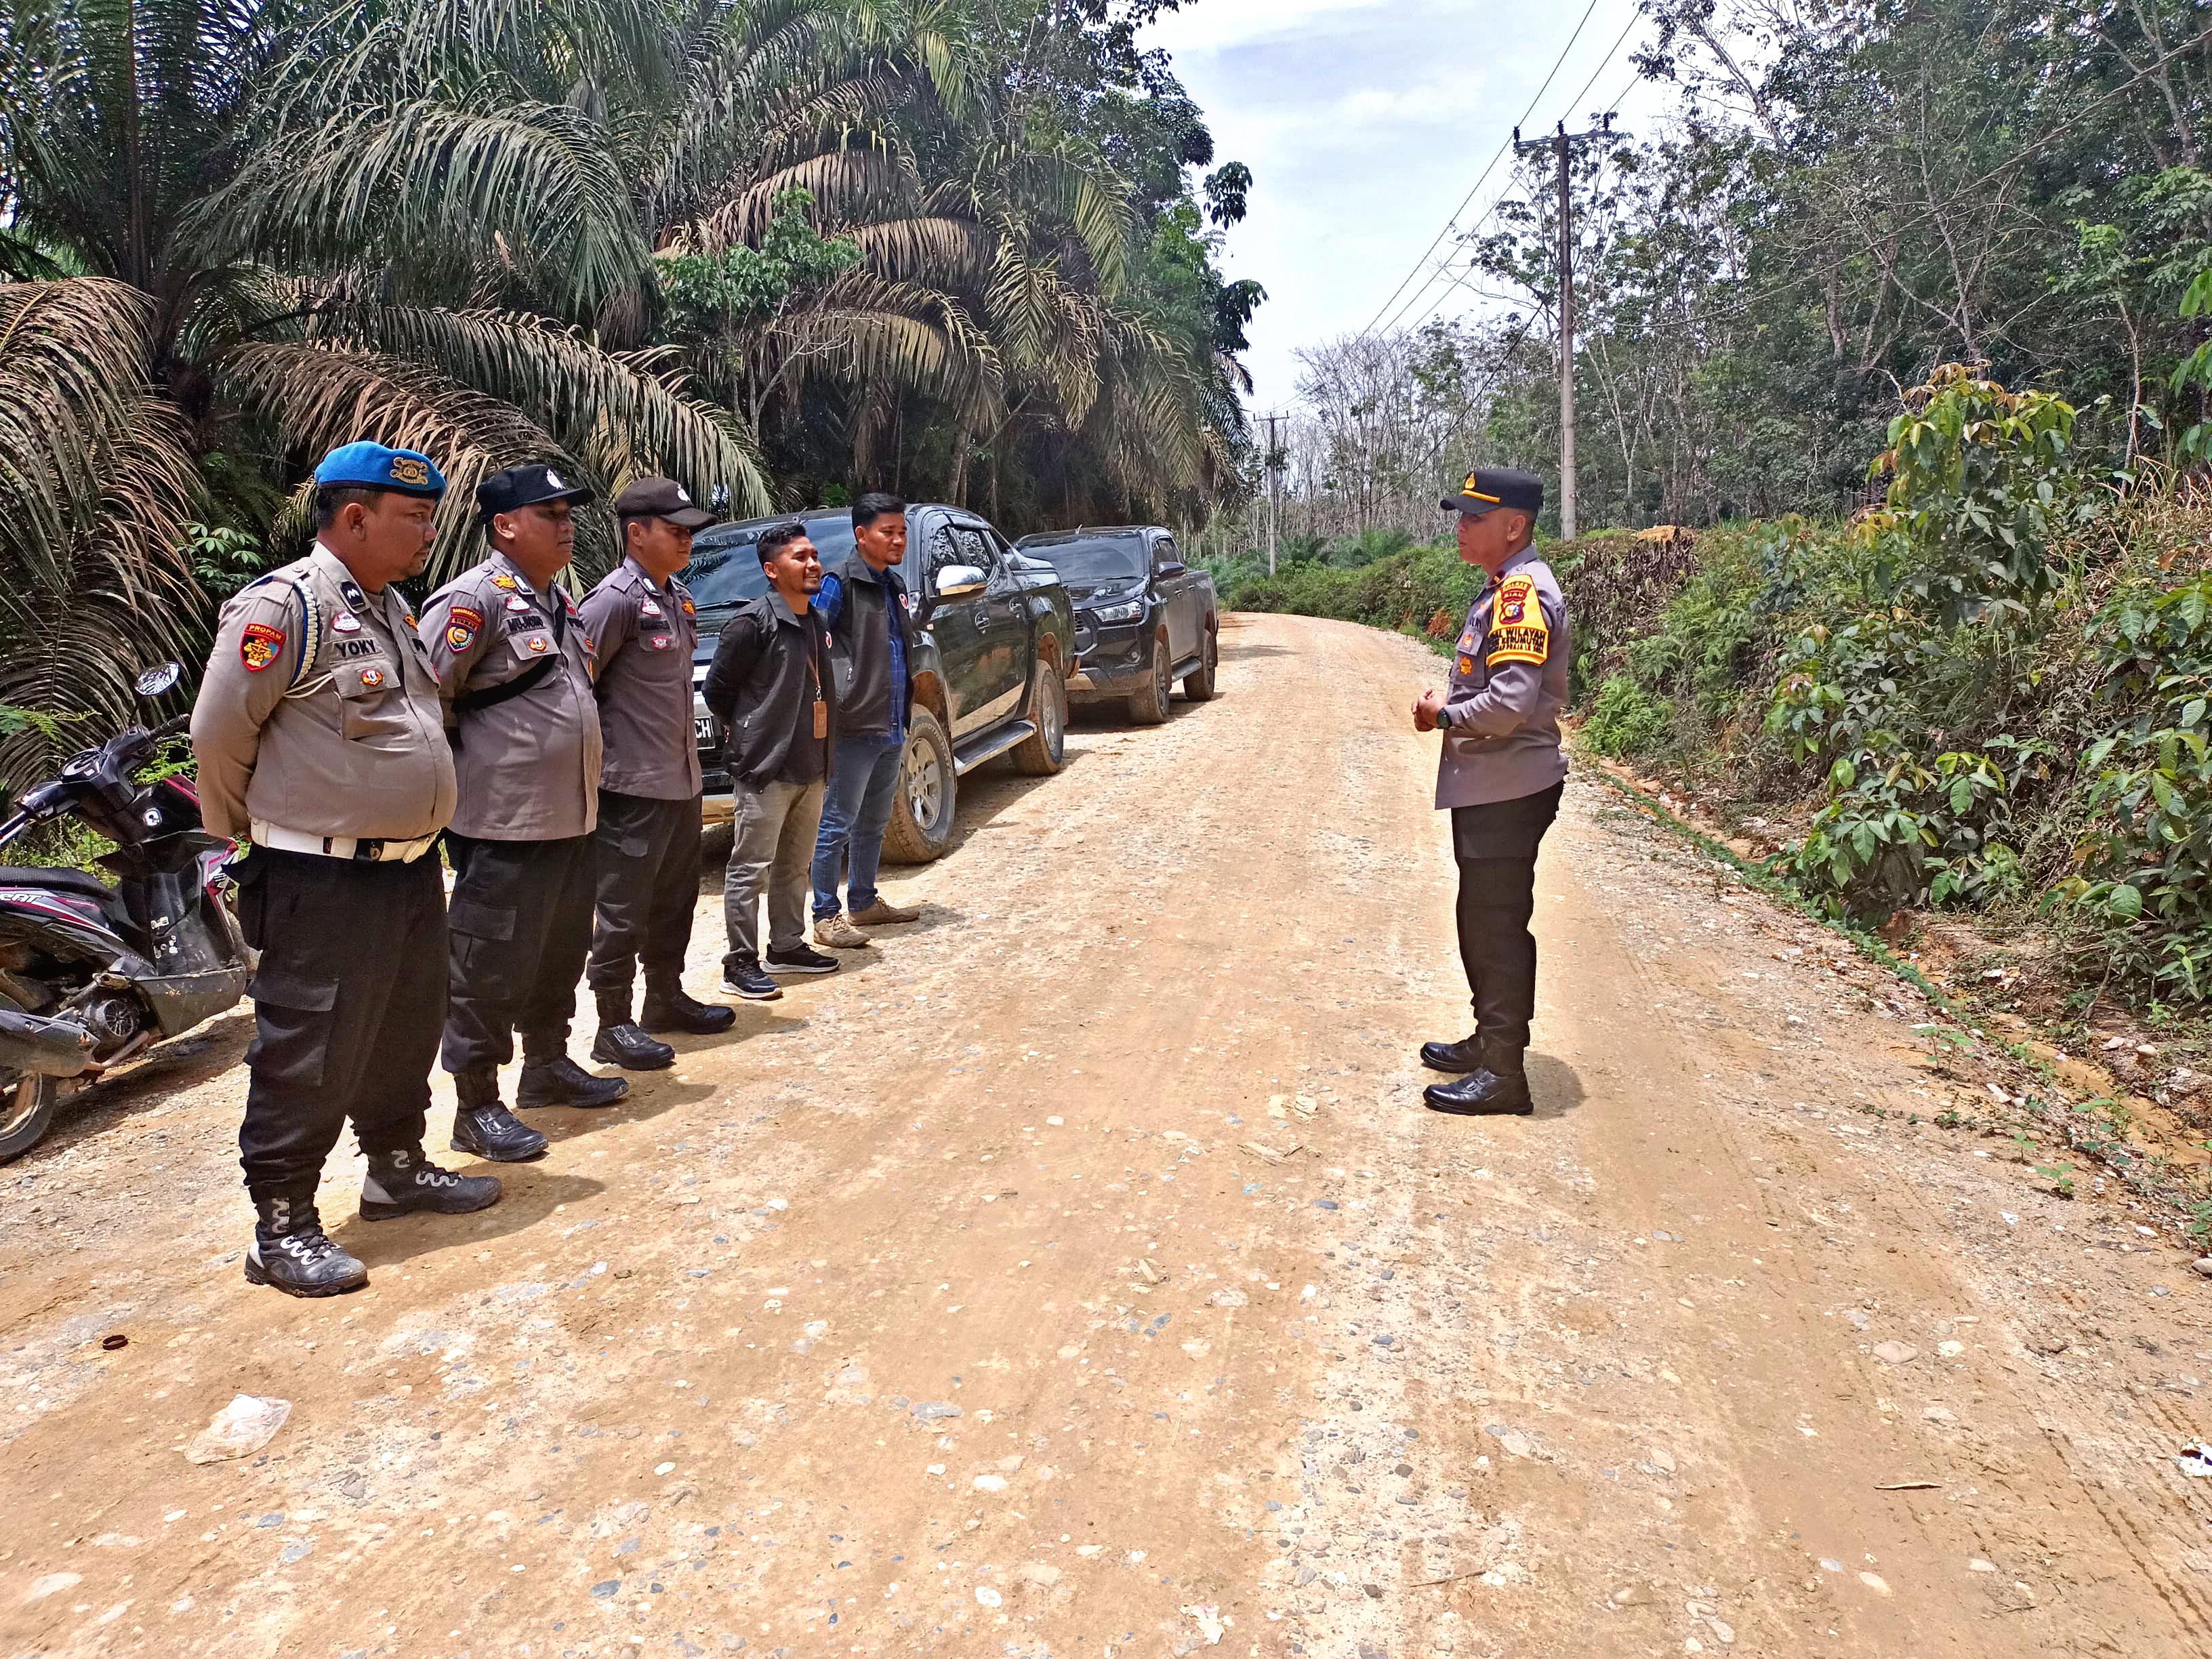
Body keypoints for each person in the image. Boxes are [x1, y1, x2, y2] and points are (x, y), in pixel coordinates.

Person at [190, 441, 501, 1297]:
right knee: (311, 1047)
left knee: (404, 1026)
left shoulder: (394, 609)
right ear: (355, 517)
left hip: (406, 872)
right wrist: (255, 840)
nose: (428, 533)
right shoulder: (285, 608)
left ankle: (397, 1168)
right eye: (415, 517)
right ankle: (282, 1225)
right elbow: (220, 738)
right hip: (319, 878)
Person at [418, 462, 626, 1163]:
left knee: (560, 951)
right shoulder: (474, 601)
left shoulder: (559, 602)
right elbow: (426, 703)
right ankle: (476, 1105)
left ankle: (547, 1065)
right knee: (487, 966)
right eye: (550, 515)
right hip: (502, 823)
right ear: (506, 526)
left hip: (571, 817)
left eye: (569, 514)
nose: (567, 526)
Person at [1410, 466, 1570, 1117]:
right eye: (1462, 515)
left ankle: (1506, 1073)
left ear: (1514, 526)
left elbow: (1508, 705)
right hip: (1492, 786)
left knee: (1498, 928)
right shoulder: (1501, 589)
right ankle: (1487, 1041)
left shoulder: (1520, 596)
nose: (1462, 526)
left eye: (1475, 517)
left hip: (1507, 787)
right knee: (1481, 919)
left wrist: (1443, 715)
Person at [578, 478, 737, 1067]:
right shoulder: (612, 601)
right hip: (631, 786)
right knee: (622, 910)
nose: (686, 540)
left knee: (675, 900)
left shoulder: (679, 597)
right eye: (674, 530)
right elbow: (577, 688)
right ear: (636, 533)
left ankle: (665, 998)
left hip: (681, 781)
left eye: (689, 530)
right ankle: (611, 1023)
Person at [701, 520, 842, 998]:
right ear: (771, 570)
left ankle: (786, 946)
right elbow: (718, 690)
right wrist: (752, 735)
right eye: (800, 558)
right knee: (750, 868)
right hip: (766, 767)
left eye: (814, 556)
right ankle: (740, 962)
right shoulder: (751, 623)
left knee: (794, 865)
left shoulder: (816, 622)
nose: (813, 564)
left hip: (812, 765)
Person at [807, 491, 923, 948]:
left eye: (902, 532)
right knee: (837, 820)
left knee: (874, 820)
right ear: (862, 535)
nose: (898, 540)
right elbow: (812, 641)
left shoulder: (893, 584)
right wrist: (832, 702)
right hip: (855, 724)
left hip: (892, 721)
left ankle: (864, 901)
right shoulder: (841, 581)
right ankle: (825, 914)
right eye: (888, 532)